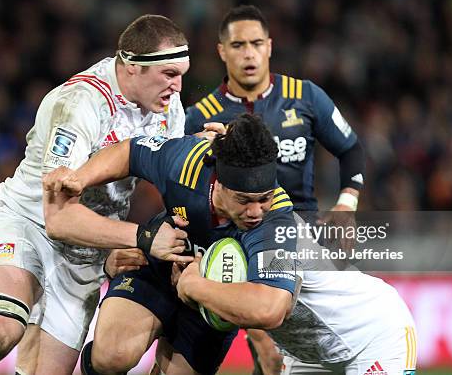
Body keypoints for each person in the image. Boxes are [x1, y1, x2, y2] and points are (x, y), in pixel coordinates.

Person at [0, 14, 193, 375]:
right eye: (169, 74)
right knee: (1, 330)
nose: (178, 86)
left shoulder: (168, 111)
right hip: (27, 225)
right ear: (132, 66)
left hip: (84, 255)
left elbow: (173, 186)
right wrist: (143, 237)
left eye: (182, 74)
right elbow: (58, 219)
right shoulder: (80, 104)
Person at [43, 113, 300, 375]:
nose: (256, 211)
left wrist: (195, 287)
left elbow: (272, 308)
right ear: (220, 182)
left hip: (213, 302)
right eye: (244, 200)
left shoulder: (277, 220)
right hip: (158, 266)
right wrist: (80, 178)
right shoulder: (186, 163)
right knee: (112, 356)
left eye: (264, 198)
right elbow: (129, 152)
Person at [184, 5, 366, 374]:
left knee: (301, 354)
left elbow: (351, 150)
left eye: (255, 43)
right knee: (271, 353)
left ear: (270, 46)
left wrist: (347, 203)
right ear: (222, 51)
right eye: (237, 45)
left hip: (303, 238)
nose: (248, 53)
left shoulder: (306, 97)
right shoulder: (198, 116)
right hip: (240, 244)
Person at [175, 218, 418, 375]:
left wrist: (195, 287)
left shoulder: (282, 235)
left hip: (375, 335)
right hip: (309, 355)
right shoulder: (223, 233)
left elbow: (278, 306)